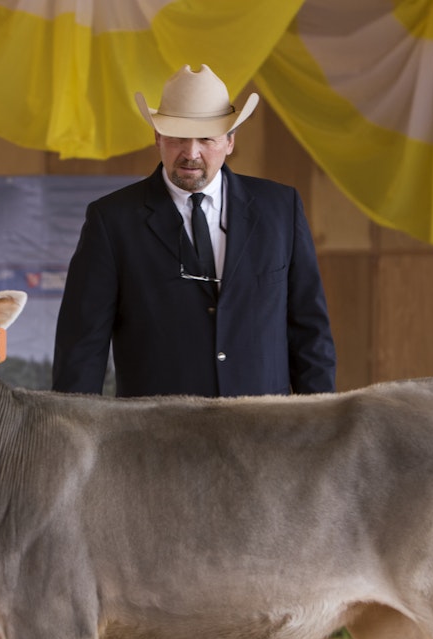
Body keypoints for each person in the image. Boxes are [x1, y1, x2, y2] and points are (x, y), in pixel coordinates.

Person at [52, 64, 335, 397]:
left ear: (230, 141)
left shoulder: (280, 208)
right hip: (156, 435)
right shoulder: (111, 220)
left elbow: (310, 331)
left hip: (265, 432)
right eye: (178, 138)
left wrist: (322, 427)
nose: (191, 153)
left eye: (206, 139)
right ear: (157, 137)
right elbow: (82, 348)